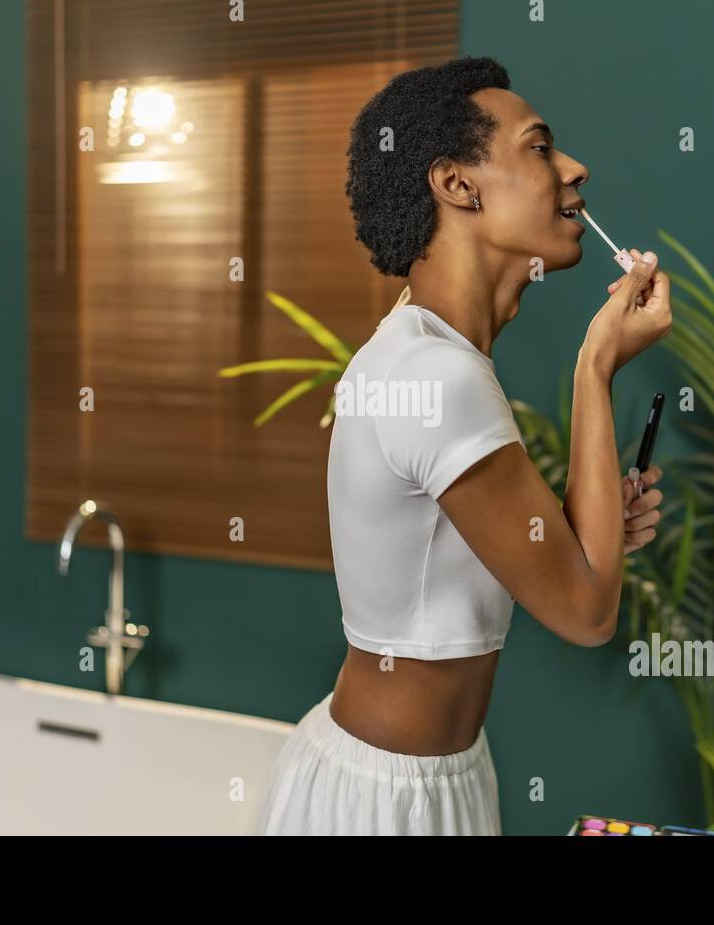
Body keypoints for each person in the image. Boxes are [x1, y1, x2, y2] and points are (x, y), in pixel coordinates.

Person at [257, 56, 672, 835]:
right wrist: (596, 364)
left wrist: (593, 530)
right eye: (540, 148)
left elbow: (510, 567)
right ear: (457, 185)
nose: (575, 169)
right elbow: (587, 614)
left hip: (442, 776)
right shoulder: (435, 376)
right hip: (383, 802)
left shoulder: (429, 355)